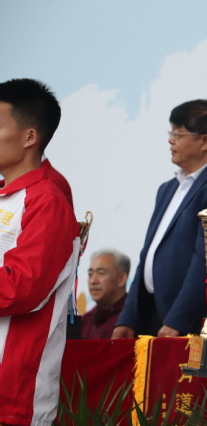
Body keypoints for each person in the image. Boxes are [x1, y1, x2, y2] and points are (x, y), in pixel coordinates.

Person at [113, 100, 207, 338]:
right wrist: (128, 318)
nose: (170, 140)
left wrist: (178, 319)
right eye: (171, 133)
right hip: (151, 315)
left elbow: (206, 260)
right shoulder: (167, 189)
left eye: (178, 134)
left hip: (183, 323)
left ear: (204, 141)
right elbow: (148, 255)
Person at [0, 78, 79, 425]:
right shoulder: (6, 196)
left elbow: (21, 288)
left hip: (13, 395)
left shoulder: (47, 201)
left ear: (30, 137)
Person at [81, 249, 130, 339]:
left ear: (121, 279)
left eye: (101, 273)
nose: (93, 281)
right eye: (90, 274)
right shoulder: (86, 320)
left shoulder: (131, 319)